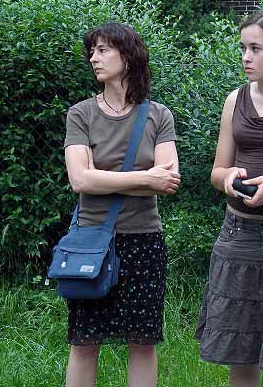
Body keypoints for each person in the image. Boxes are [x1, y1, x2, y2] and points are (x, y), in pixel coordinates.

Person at [63, 22, 181, 387]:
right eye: (92, 52)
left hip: (144, 240)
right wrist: (145, 179)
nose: (93, 58)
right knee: (85, 341)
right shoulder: (80, 114)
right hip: (91, 242)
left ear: (127, 57)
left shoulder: (158, 115)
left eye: (102, 50)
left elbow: (168, 180)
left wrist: (104, 177)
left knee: (142, 342)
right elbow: (80, 180)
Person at [195, 10, 263, 387]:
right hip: (237, 234)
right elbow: (217, 171)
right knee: (239, 348)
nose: (246, 57)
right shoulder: (235, 99)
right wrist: (227, 179)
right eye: (243, 48)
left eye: (255, 48)